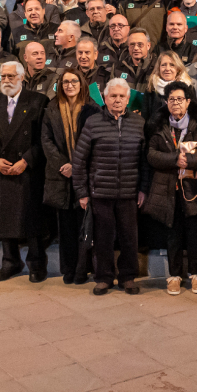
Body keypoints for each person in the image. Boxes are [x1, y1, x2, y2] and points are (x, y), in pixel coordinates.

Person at [71, 78, 148, 295]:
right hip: (100, 193)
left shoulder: (139, 124)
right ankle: (104, 277)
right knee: (103, 238)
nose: (117, 100)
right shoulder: (93, 123)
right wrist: (82, 192)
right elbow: (80, 161)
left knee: (129, 238)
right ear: (105, 98)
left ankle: (128, 277)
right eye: (112, 96)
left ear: (127, 99)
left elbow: (145, 161)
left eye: (121, 96)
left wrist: (143, 188)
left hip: (129, 193)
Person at [0, 61, 51, 282]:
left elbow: (45, 139)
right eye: (3, 77)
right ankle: (10, 262)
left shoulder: (38, 101)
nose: (7, 81)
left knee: (32, 220)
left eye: (11, 76)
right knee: (5, 219)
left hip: (28, 170)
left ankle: (36, 264)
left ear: (22, 78)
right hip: (2, 171)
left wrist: (27, 160)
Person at [143, 82, 197, 295]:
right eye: (172, 99)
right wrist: (175, 159)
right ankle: (174, 275)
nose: (176, 103)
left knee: (195, 232)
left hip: (193, 187)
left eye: (180, 99)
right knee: (173, 233)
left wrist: (189, 161)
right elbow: (151, 154)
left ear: (188, 102)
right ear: (166, 102)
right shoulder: (160, 125)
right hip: (168, 187)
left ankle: (196, 275)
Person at [42, 68, 100, 284]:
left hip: (84, 174)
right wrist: (63, 165)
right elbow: (46, 141)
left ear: (82, 83)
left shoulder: (93, 109)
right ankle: (69, 269)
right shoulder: (52, 108)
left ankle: (84, 268)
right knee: (65, 227)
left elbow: (96, 142)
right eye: (65, 82)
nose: (69, 85)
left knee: (85, 226)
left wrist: (76, 165)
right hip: (60, 176)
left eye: (74, 81)